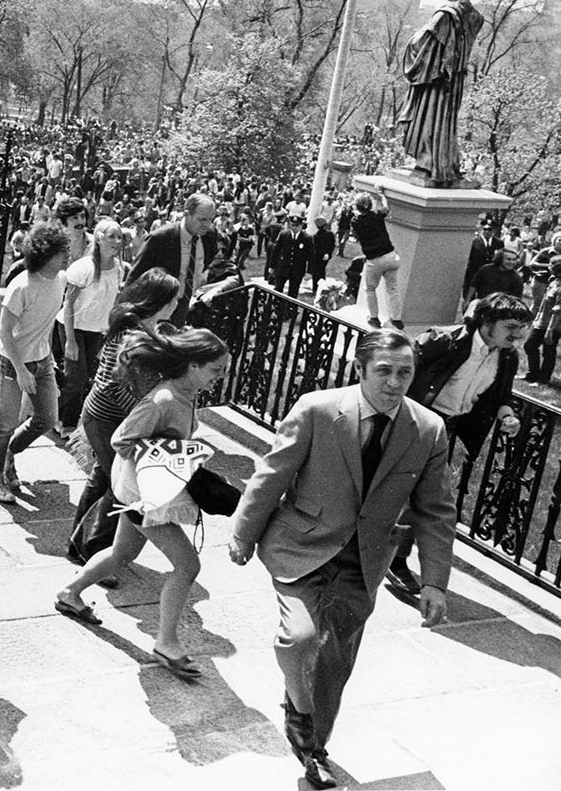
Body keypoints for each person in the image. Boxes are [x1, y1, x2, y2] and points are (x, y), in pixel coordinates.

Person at [228, 329, 457, 789]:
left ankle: (314, 750)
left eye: (405, 372)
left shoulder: (428, 430)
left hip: (364, 560)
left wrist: (434, 581)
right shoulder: (317, 409)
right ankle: (299, 710)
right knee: (299, 637)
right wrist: (243, 533)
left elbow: (436, 510)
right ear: (359, 369)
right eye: (384, 371)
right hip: (302, 546)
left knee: (335, 664)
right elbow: (273, 474)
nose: (395, 382)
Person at [54, 326, 229, 680]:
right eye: (216, 370)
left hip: (145, 491)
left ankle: (69, 593)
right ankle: (166, 642)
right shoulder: (164, 399)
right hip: (142, 494)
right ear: (193, 364)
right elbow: (122, 439)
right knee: (187, 567)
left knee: (122, 553)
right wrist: (171, 452)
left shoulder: (188, 393)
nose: (221, 377)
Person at [383, 292, 531, 598]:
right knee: (403, 491)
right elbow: (397, 366)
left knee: (422, 496)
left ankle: (393, 559)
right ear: (488, 322)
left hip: (445, 430)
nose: (518, 335)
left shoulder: (506, 356)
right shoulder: (445, 341)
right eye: (511, 326)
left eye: (523, 328)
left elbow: (499, 397)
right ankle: (381, 555)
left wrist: (507, 416)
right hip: (413, 422)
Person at [65, 269, 182, 567]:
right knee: (116, 485)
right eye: (173, 298)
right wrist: (142, 414)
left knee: (103, 478)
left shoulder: (143, 327)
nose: (178, 303)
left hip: (107, 417)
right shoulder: (132, 335)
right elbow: (112, 385)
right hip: (106, 419)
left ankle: (80, 547)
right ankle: (93, 553)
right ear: (161, 301)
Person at [0, 221, 70, 504]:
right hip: (13, 362)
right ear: (45, 254)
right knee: (6, 422)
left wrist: (48, 358)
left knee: (46, 418)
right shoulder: (21, 286)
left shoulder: (61, 280)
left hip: (42, 359)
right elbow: (3, 331)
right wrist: (20, 369)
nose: (67, 256)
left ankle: (9, 454)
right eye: (61, 252)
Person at [398, 0, 484, 184]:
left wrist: (411, 43)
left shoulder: (446, 14)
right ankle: (444, 163)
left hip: (438, 78)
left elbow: (425, 41)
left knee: (431, 117)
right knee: (446, 120)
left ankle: (429, 162)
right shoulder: (475, 17)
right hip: (457, 79)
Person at [57, 217, 125, 432]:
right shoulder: (84, 267)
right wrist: (70, 341)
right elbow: (68, 304)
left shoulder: (118, 267)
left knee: (84, 377)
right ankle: (47, 413)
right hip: (73, 327)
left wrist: (110, 333)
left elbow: (113, 302)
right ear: (99, 237)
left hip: (96, 330)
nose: (116, 241)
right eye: (111, 236)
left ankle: (66, 423)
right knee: (75, 379)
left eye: (120, 237)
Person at [127, 193, 221, 325]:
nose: (207, 224)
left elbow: (214, 258)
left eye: (211, 219)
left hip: (187, 304)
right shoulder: (160, 238)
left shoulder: (209, 235)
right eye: (202, 219)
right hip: (158, 308)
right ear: (186, 214)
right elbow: (135, 276)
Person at [349, 184, 403, 328]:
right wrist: (382, 194)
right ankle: (396, 319)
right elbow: (386, 208)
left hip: (374, 260)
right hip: (391, 256)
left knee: (370, 289)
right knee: (393, 289)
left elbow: (356, 229)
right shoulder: (376, 217)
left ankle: (374, 317)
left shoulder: (356, 222)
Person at [523, 259, 561, 384]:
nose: (549, 266)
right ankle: (532, 374)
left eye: (551, 264)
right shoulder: (553, 281)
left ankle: (543, 379)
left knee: (548, 352)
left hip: (552, 325)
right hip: (541, 322)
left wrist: (550, 331)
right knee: (529, 345)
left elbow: (558, 312)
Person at [270, 214, 312, 298]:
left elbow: (311, 256)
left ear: (301, 225)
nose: (294, 228)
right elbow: (276, 251)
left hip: (297, 269)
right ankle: (277, 306)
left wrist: (309, 272)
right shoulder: (284, 235)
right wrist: (272, 266)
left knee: (293, 292)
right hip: (283, 267)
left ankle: (290, 309)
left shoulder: (307, 238)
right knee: (278, 289)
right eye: (292, 225)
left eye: (297, 225)